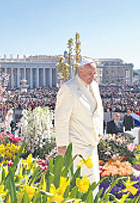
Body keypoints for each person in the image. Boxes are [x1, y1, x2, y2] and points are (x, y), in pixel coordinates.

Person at [55, 58, 103, 186]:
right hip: (77, 143)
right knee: (81, 184)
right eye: (89, 74)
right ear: (80, 72)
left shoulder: (94, 86)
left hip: (92, 141)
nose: (92, 77)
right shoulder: (69, 88)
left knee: (93, 183)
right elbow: (61, 119)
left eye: (94, 74)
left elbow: (97, 112)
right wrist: (62, 145)